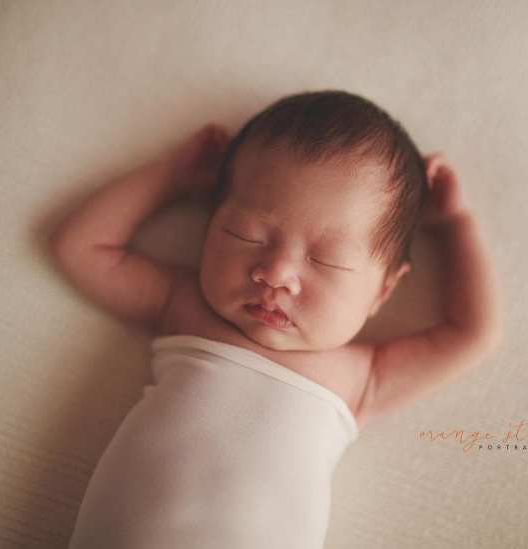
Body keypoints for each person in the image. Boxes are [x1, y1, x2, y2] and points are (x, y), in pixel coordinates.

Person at [52, 90, 501, 548]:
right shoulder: (184, 308)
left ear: (382, 291)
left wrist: (456, 228)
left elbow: (472, 333)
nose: (277, 274)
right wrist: (170, 176)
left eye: (326, 261)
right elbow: (81, 248)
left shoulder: (363, 378)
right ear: (210, 226)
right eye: (246, 235)